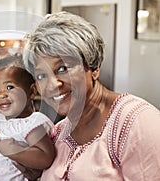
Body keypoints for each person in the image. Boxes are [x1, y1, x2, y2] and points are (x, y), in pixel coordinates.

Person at [22, 11, 160, 180]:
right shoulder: (56, 133)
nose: (52, 85)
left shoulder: (137, 122)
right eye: (42, 75)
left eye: (63, 68)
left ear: (93, 67)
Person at [0, 54, 55, 181]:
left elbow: (46, 157)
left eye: (9, 87)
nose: (1, 95)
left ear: (32, 91)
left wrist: (15, 150)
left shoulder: (31, 124)